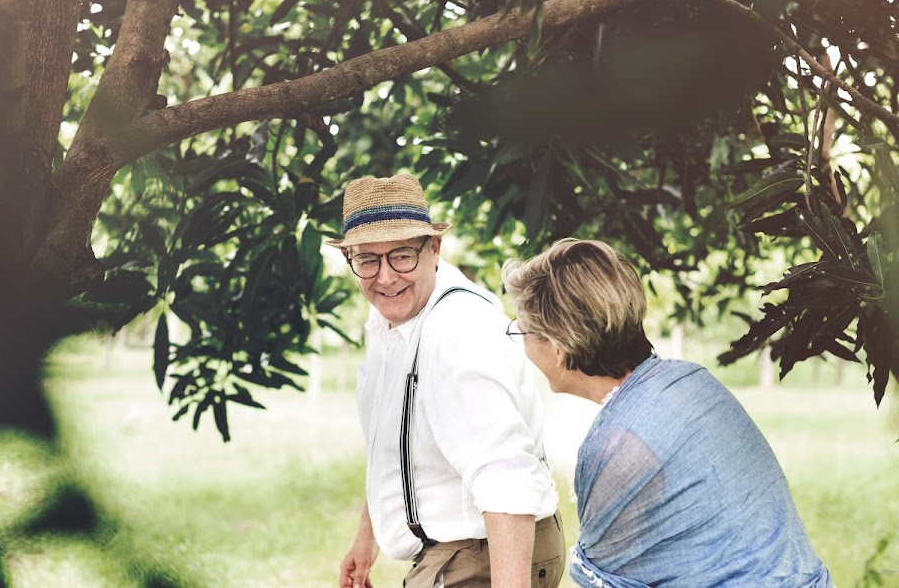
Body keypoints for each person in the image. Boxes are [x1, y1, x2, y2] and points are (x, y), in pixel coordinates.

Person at [502, 239, 834, 588]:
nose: (521, 342)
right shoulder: (690, 379)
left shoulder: (617, 447)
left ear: (558, 349)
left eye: (521, 330)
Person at [331, 173, 563, 588]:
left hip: (487, 554)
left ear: (433, 248)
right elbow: (392, 442)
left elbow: (505, 478)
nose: (385, 278)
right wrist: (367, 538)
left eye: (401, 255)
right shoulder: (389, 318)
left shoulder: (456, 331)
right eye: (368, 260)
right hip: (454, 550)